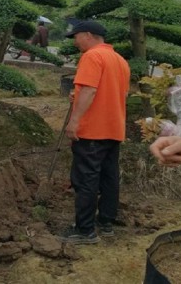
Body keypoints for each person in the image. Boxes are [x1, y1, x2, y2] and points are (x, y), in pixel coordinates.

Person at [56, 20, 131, 245]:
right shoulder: (120, 60)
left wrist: (74, 122)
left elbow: (90, 89)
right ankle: (105, 222)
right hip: (114, 128)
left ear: (87, 34)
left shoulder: (91, 56)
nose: (75, 42)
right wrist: (78, 97)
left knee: (86, 178)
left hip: (92, 131)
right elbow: (118, 94)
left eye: (76, 37)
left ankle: (85, 230)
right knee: (109, 177)